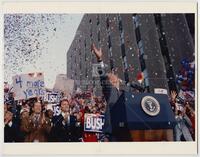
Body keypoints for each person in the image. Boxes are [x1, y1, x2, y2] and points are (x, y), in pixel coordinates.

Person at [91, 43, 124, 141]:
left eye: (113, 74)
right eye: (110, 76)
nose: (112, 75)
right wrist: (99, 59)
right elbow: (102, 75)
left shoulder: (124, 92)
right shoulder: (109, 90)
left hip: (127, 129)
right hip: (113, 131)